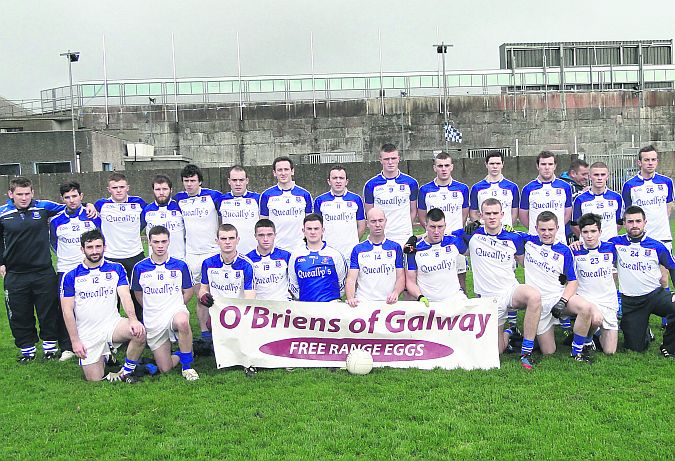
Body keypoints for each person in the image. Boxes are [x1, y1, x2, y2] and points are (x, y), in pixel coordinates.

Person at [60, 229, 146, 383]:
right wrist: (75, 341)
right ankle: (107, 355)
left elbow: (125, 296)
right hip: (87, 332)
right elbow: (67, 311)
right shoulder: (71, 275)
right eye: (90, 247)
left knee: (139, 332)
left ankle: (125, 372)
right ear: (82, 249)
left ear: (104, 247)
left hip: (111, 324)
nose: (95, 251)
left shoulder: (116, 269)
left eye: (98, 246)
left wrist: (133, 319)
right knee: (94, 379)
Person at [466, 198, 542, 369]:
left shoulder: (513, 237)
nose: (492, 217)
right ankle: (510, 331)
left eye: (495, 213)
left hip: (510, 291)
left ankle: (526, 352)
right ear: (481, 215)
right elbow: (438, 234)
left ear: (502, 215)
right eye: (488, 213)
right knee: (498, 350)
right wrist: (415, 238)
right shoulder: (471, 234)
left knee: (534, 297)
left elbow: (527, 263)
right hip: (489, 299)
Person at [0, 177, 70, 362]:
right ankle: (27, 351)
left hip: (43, 272)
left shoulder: (43, 207)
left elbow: (69, 205)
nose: (24, 198)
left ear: (33, 193)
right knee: (19, 313)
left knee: (48, 311)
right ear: (10, 194)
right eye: (19, 194)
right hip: (15, 274)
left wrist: (88, 206)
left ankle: (49, 348)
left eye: (27, 194)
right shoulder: (3, 213)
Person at [522, 211, 603, 362]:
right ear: (536, 228)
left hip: (557, 297)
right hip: (537, 303)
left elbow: (573, 281)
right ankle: (533, 338)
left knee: (585, 308)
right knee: (549, 351)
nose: (547, 233)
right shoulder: (527, 241)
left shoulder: (564, 251)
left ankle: (577, 351)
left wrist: (562, 301)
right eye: (543, 229)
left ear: (558, 228)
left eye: (551, 229)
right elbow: (502, 230)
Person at [131, 226, 198, 381]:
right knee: (165, 368)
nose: (160, 245)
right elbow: (138, 294)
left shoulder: (180, 265)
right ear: (149, 243)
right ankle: (184, 352)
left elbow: (188, 291)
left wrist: (174, 306)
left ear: (169, 242)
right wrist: (153, 307)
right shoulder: (140, 267)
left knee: (182, 322)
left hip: (175, 311)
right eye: (156, 242)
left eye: (163, 241)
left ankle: (187, 367)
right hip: (153, 320)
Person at [609, 206, 675, 358]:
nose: (634, 225)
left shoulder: (657, 246)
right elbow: (595, 249)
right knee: (635, 348)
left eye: (638, 221)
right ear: (624, 223)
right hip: (631, 302)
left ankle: (670, 347)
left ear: (645, 222)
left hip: (655, 295)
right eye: (630, 221)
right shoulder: (615, 244)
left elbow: (672, 267)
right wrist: (576, 245)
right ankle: (643, 330)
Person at [621, 145, 674, 328]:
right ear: (639, 162)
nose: (650, 163)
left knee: (663, 277)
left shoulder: (666, 182)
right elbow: (629, 211)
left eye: (653, 159)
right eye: (646, 160)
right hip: (639, 238)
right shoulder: (630, 185)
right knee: (639, 274)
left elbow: (668, 205)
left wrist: (661, 223)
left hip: (662, 237)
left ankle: (667, 318)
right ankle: (639, 312)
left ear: (657, 161)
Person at [49, 181, 102, 361]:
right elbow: (54, 243)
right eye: (67, 197)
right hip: (65, 271)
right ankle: (67, 346)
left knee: (94, 303)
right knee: (65, 308)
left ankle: (103, 340)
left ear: (81, 196)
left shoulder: (92, 215)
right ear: (62, 199)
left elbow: (100, 239)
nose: (72, 200)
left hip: (90, 268)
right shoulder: (56, 221)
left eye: (74, 196)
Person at [174, 164, 222, 342]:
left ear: (199, 181)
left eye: (192, 180)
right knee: (200, 296)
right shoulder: (178, 199)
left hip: (213, 252)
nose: (189, 184)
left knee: (218, 295)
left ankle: (221, 328)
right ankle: (204, 333)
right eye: (186, 181)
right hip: (192, 255)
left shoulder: (213, 196)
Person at [94, 172, 147, 320]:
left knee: (137, 293)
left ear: (127, 188)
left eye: (122, 187)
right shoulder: (101, 204)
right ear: (109, 189)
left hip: (135, 256)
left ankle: (142, 327)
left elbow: (145, 221)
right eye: (115, 187)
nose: (118, 190)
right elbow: (91, 215)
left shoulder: (139, 203)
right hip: (111, 257)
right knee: (111, 297)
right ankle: (112, 331)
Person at [417, 152, 470, 292]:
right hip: (433, 241)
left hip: (455, 242)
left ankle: (462, 312)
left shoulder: (462, 188)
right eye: (440, 166)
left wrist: (452, 233)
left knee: (460, 281)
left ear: (452, 167)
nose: (444, 169)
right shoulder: (424, 190)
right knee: (434, 279)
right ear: (434, 168)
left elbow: (464, 214)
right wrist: (435, 232)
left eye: (447, 165)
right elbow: (422, 216)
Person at [571, 213, 620, 354]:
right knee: (596, 319)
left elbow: (614, 272)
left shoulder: (611, 248)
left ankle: (593, 333)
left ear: (600, 232)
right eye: (585, 232)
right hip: (587, 300)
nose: (589, 236)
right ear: (580, 233)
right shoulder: (574, 251)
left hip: (608, 301)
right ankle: (587, 339)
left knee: (610, 351)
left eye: (593, 231)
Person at [363, 143, 419, 249]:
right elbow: (369, 213)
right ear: (380, 160)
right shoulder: (371, 185)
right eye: (386, 159)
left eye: (393, 158)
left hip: (404, 236)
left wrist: (404, 226)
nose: (390, 162)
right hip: (382, 236)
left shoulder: (411, 183)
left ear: (398, 159)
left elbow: (413, 210)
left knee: (406, 265)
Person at [345, 207, 404, 306]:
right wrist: (351, 298)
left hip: (388, 303)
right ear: (367, 223)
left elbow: (401, 277)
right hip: (363, 302)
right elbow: (351, 279)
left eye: (380, 221)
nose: (377, 225)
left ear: (385, 221)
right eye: (373, 221)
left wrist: (396, 293)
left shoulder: (395, 248)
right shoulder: (358, 249)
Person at [406, 208, 467, 303]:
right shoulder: (415, 249)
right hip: (429, 302)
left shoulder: (454, 242)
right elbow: (410, 281)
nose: (436, 231)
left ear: (445, 226)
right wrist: (420, 297)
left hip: (454, 299)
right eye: (432, 227)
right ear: (426, 226)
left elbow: (474, 252)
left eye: (440, 227)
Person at [288, 214, 348, 302]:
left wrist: (333, 299)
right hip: (306, 308)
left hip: (331, 306)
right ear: (303, 231)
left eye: (316, 229)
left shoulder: (335, 255)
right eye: (309, 229)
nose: (313, 232)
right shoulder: (296, 255)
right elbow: (293, 284)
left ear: (322, 230)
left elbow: (343, 282)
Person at [313, 164, 366, 262]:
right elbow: (316, 227)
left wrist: (352, 241)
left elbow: (362, 226)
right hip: (327, 254)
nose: (338, 181)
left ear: (346, 181)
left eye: (341, 178)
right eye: (334, 178)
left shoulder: (356, 199)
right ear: (329, 181)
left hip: (350, 254)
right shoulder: (320, 200)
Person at [259, 156, 312, 252]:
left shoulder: (305, 194)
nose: (283, 173)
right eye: (279, 170)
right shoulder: (266, 195)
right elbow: (263, 225)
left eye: (286, 169)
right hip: (276, 249)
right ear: (274, 173)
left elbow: (310, 224)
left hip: (300, 248)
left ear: (292, 171)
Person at [519, 151, 573, 244]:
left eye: (550, 164)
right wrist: (538, 229)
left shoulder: (565, 187)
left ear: (555, 166)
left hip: (558, 239)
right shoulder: (528, 189)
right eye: (543, 164)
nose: (547, 167)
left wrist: (554, 229)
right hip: (535, 240)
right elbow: (523, 216)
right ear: (537, 166)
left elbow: (568, 213)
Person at [199, 224, 256, 310]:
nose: (227, 242)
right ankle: (203, 324)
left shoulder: (247, 265)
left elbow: (250, 296)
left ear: (237, 240)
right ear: (217, 241)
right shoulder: (208, 263)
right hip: (217, 311)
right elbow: (203, 289)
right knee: (201, 303)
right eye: (223, 239)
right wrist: (204, 295)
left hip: (239, 312)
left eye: (231, 238)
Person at [571, 162, 623, 241]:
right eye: (596, 175)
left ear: (607, 176)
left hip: (610, 245)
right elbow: (574, 225)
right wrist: (587, 239)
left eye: (603, 175)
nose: (599, 178)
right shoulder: (580, 199)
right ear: (589, 177)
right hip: (588, 247)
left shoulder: (617, 198)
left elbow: (619, 223)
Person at [469, 150, 520, 227]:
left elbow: (514, 212)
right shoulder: (477, 188)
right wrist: (481, 226)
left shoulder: (512, 187)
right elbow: (473, 213)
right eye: (492, 164)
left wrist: (506, 226)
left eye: (498, 163)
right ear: (486, 165)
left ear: (502, 164)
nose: (495, 166)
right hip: (485, 233)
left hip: (505, 233)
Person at [141, 175, 186, 260]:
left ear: (171, 190)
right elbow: (135, 232)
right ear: (153, 191)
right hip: (155, 262)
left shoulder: (180, 208)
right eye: (158, 189)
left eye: (165, 189)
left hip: (179, 260)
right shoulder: (147, 210)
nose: (161, 193)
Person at [246, 219, 292, 301]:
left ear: (275, 235)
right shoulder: (247, 260)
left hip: (282, 305)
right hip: (259, 307)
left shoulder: (286, 256)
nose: (266, 239)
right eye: (261, 235)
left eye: (269, 235)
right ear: (255, 236)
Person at [220, 165, 260, 256]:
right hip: (230, 253)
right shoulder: (221, 200)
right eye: (234, 180)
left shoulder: (258, 199)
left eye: (241, 180)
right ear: (229, 181)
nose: (238, 183)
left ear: (247, 181)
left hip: (253, 252)